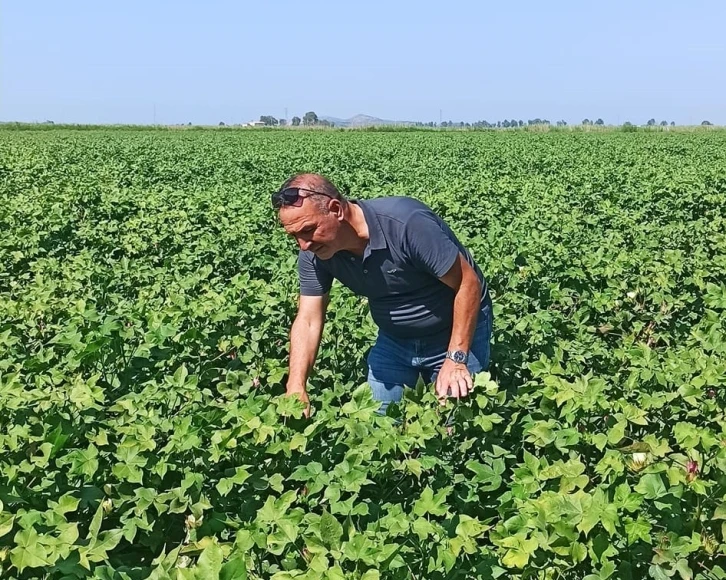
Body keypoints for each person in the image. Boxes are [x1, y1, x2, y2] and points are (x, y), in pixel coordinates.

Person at [272, 173, 493, 417]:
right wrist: (295, 385)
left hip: (454, 331)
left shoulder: (406, 224)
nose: (303, 245)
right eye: (294, 236)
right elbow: (308, 318)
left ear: (336, 209)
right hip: (394, 340)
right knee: (377, 423)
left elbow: (467, 284)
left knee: (454, 427)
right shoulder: (314, 252)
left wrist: (455, 358)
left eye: (309, 230)